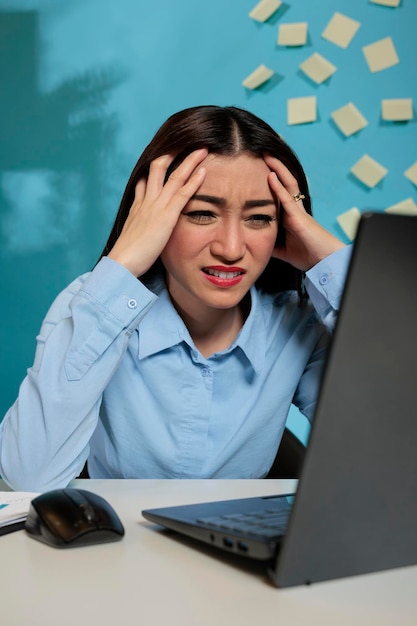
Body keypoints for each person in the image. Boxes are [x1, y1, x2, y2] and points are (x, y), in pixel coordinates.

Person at [0, 105, 350, 491]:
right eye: (202, 214)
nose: (232, 248)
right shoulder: (90, 305)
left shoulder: (299, 323)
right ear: (155, 218)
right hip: (114, 548)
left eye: (259, 218)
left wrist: (333, 261)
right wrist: (124, 262)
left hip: (237, 548)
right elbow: (27, 479)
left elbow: (394, 446)